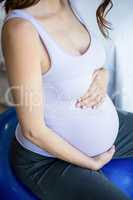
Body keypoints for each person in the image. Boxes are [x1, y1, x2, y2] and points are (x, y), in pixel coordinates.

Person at [1, 0, 133, 199]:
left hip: (109, 134)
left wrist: (103, 74)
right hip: (46, 160)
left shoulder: (71, 4)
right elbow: (32, 131)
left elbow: (78, 67)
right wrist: (91, 164)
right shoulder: (21, 30)